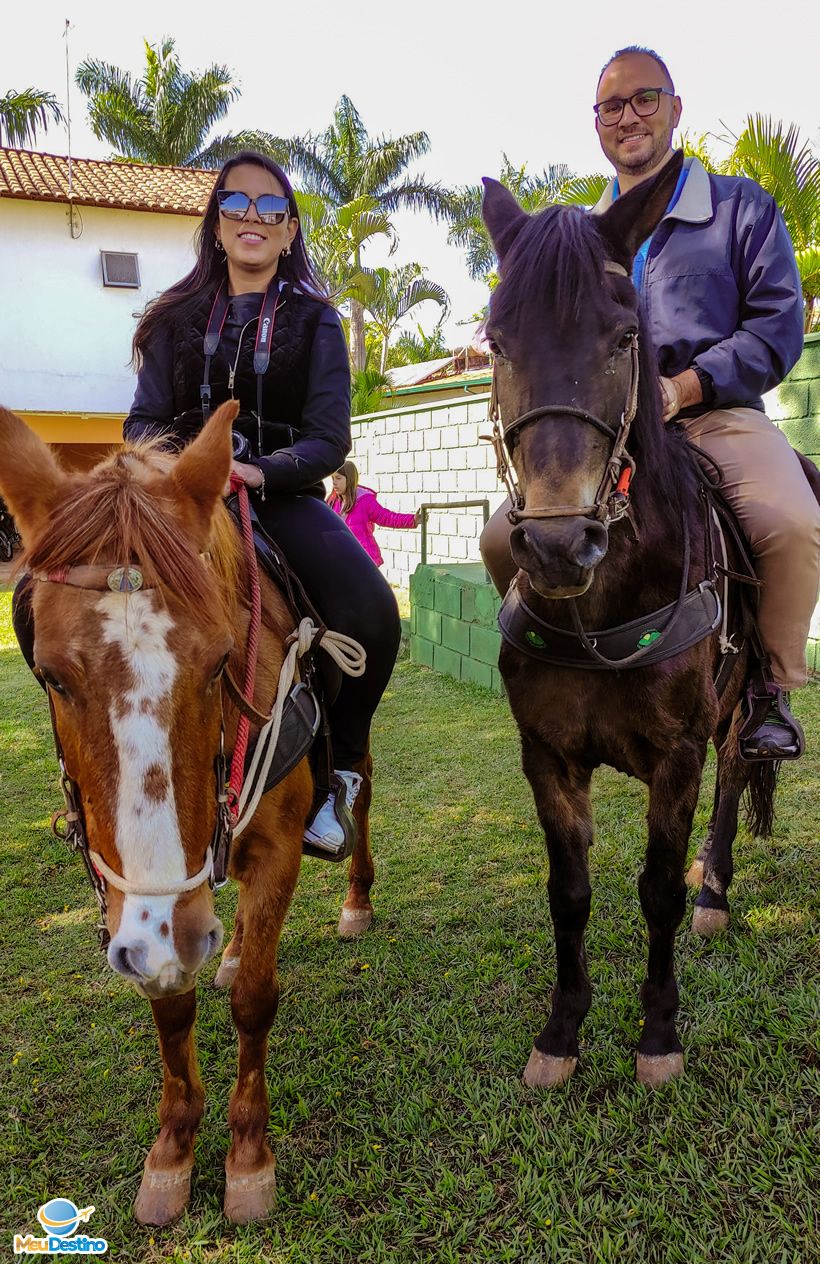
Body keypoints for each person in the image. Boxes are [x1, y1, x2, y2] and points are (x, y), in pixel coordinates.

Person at [13, 150, 402, 855]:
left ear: (288, 232)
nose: (253, 217)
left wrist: (256, 473)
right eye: (237, 204)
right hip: (176, 505)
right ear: (216, 222)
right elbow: (142, 421)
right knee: (33, 602)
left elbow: (327, 438)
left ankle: (342, 768)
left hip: (277, 497)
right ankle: (80, 772)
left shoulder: (317, 322)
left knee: (370, 609)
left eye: (271, 208)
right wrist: (174, 475)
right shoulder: (171, 318)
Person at [480, 46, 820, 760]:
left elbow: (776, 325)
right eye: (613, 105)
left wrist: (686, 386)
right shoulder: (574, 230)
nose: (629, 115)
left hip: (712, 413)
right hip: (609, 429)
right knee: (495, 537)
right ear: (596, 122)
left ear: (675, 107)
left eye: (645, 98)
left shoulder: (739, 208)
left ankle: (768, 693)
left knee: (790, 522)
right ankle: (553, 654)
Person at [328, 461, 419, 567]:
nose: (334, 483)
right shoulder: (332, 502)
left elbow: (386, 517)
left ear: (350, 479)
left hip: (365, 560)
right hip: (343, 560)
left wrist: (412, 520)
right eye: (332, 478)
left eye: (338, 478)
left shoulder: (365, 501)